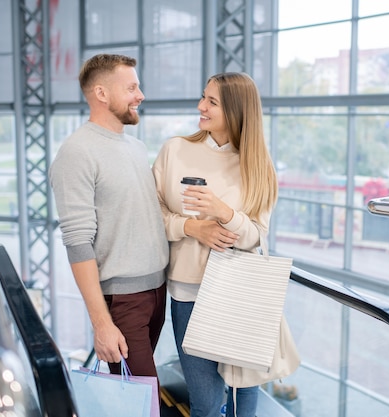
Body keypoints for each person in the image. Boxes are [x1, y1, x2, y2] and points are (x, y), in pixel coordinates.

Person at [152, 72, 278, 417]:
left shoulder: (259, 166)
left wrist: (223, 212)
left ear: (236, 111)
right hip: (189, 294)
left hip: (240, 295)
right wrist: (192, 227)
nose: (200, 106)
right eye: (203, 97)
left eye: (212, 101)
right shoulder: (175, 150)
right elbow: (152, 215)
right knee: (206, 403)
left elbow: (255, 235)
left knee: (243, 400)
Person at [49, 54, 169, 378]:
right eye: (131, 87)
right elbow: (78, 243)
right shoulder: (76, 152)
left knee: (137, 398)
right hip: (123, 302)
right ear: (101, 94)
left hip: (158, 292)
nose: (140, 95)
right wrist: (102, 323)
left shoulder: (135, 147)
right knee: (143, 405)